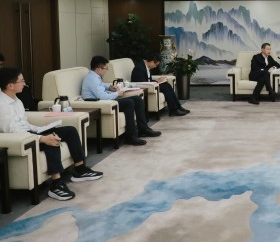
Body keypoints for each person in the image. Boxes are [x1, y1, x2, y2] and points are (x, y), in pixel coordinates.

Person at [0, 67, 103, 201]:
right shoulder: (2, 105)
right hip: (21, 139)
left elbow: (24, 123)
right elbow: (12, 131)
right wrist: (41, 138)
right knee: (52, 141)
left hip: (29, 133)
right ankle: (56, 185)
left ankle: (80, 169)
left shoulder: (17, 100)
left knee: (70, 130)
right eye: (22, 81)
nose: (24, 84)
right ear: (10, 85)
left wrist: (40, 129)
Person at [81, 56, 161, 146]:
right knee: (129, 103)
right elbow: (103, 96)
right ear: (98, 69)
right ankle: (130, 136)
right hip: (101, 103)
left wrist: (110, 87)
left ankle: (143, 129)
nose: (106, 70)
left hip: (107, 101)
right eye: (106, 68)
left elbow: (101, 85)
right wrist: (117, 93)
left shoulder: (95, 76)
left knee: (137, 99)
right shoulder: (92, 79)